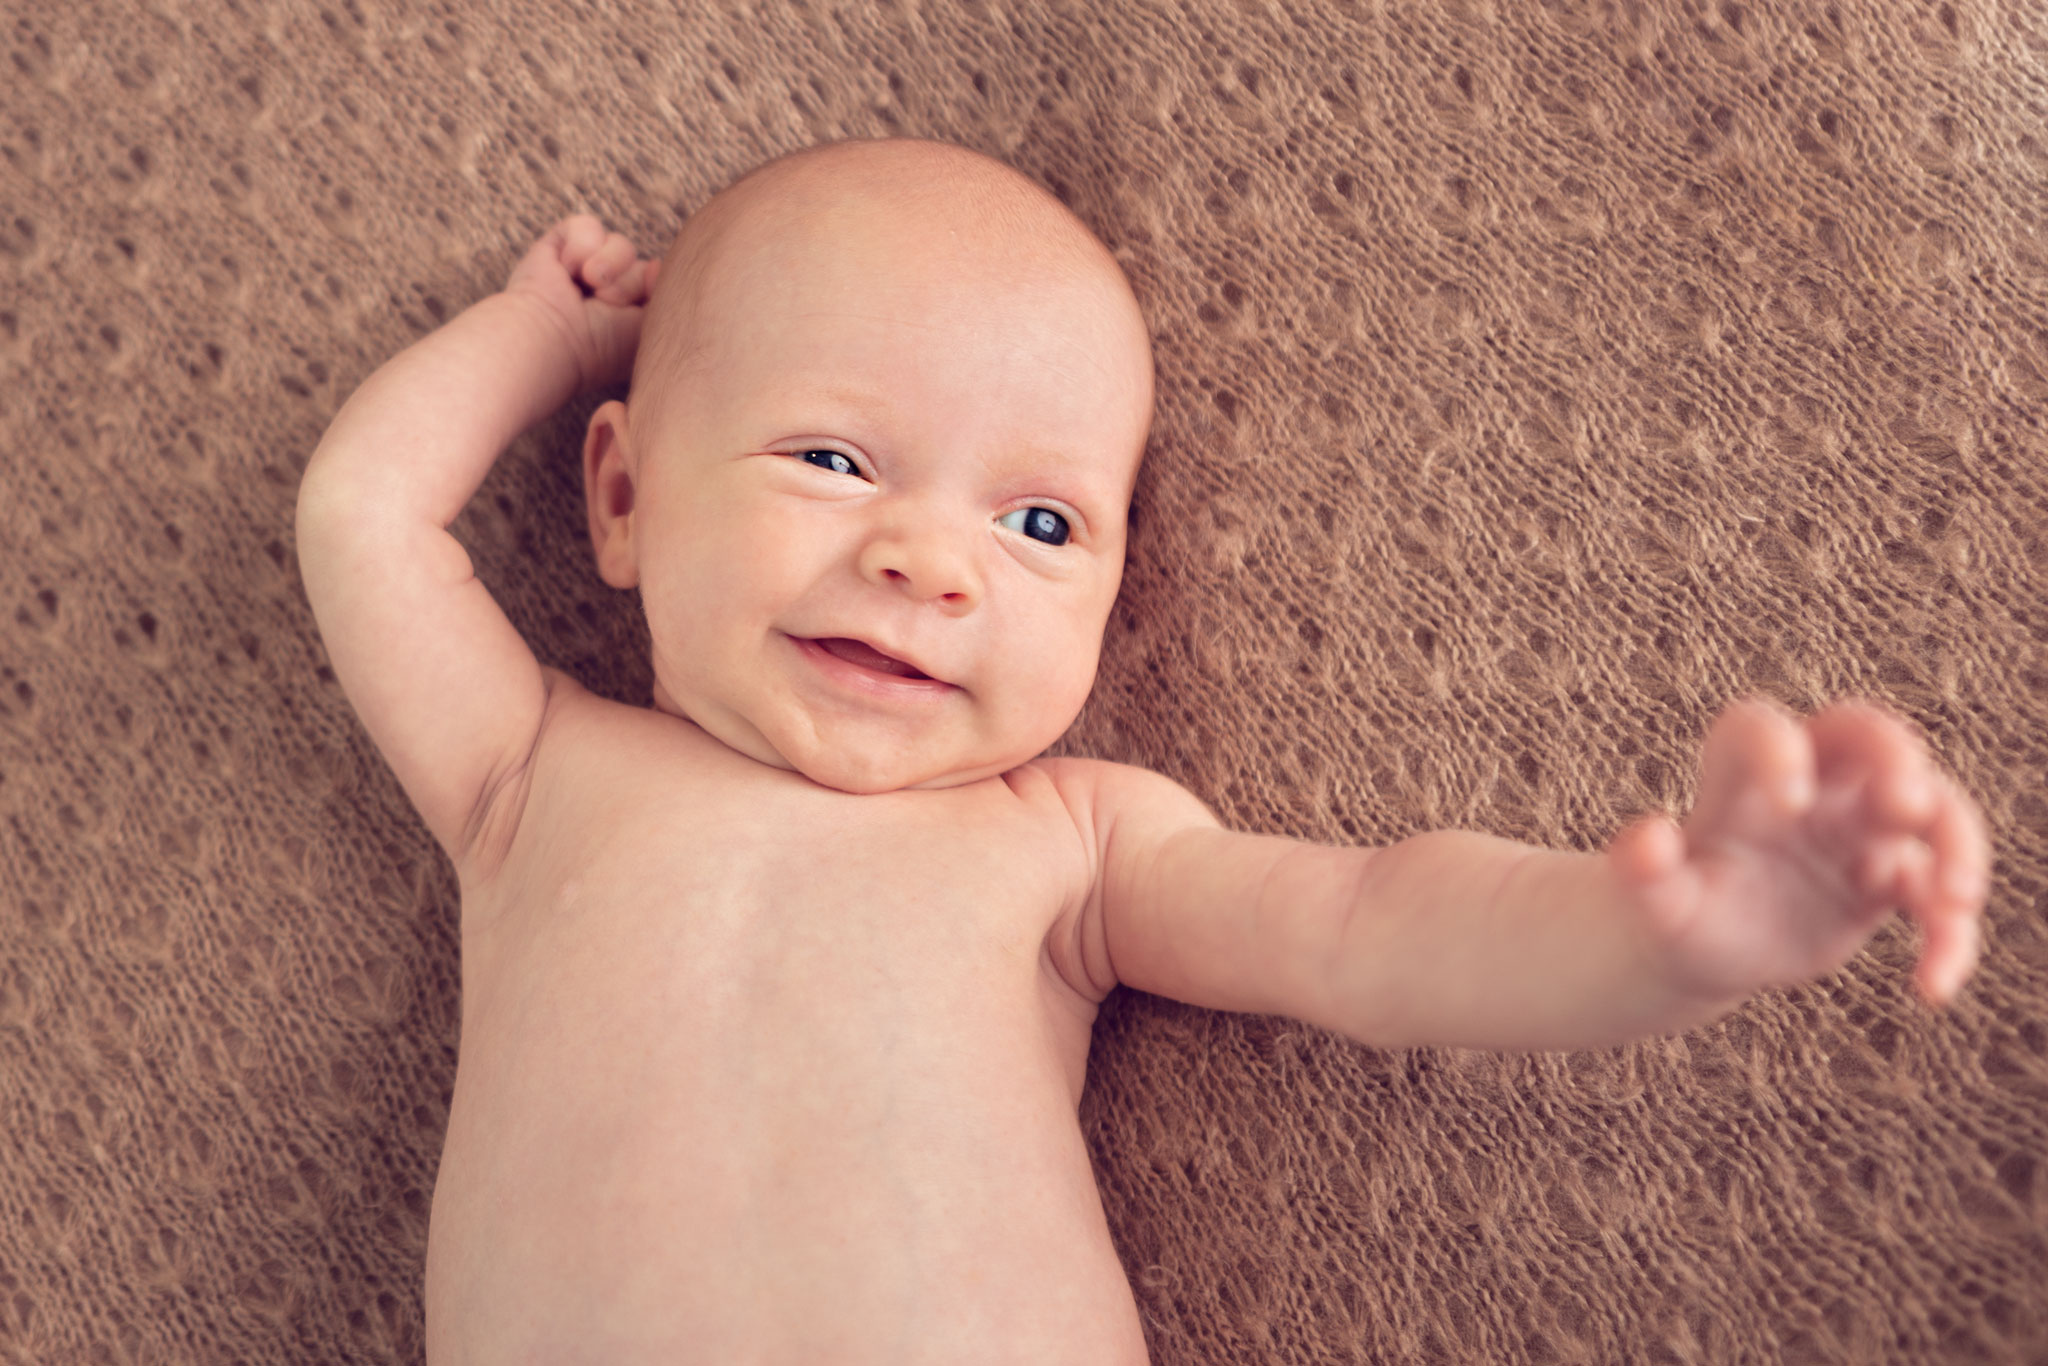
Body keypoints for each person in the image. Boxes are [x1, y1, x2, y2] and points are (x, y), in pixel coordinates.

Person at [294, 136, 1991, 1363]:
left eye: (1038, 518)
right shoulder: (531, 772)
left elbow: (1371, 931)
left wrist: (1657, 932)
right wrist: (561, 328)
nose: (929, 560)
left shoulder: (1069, 842)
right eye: (830, 458)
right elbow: (365, 518)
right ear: (621, 494)